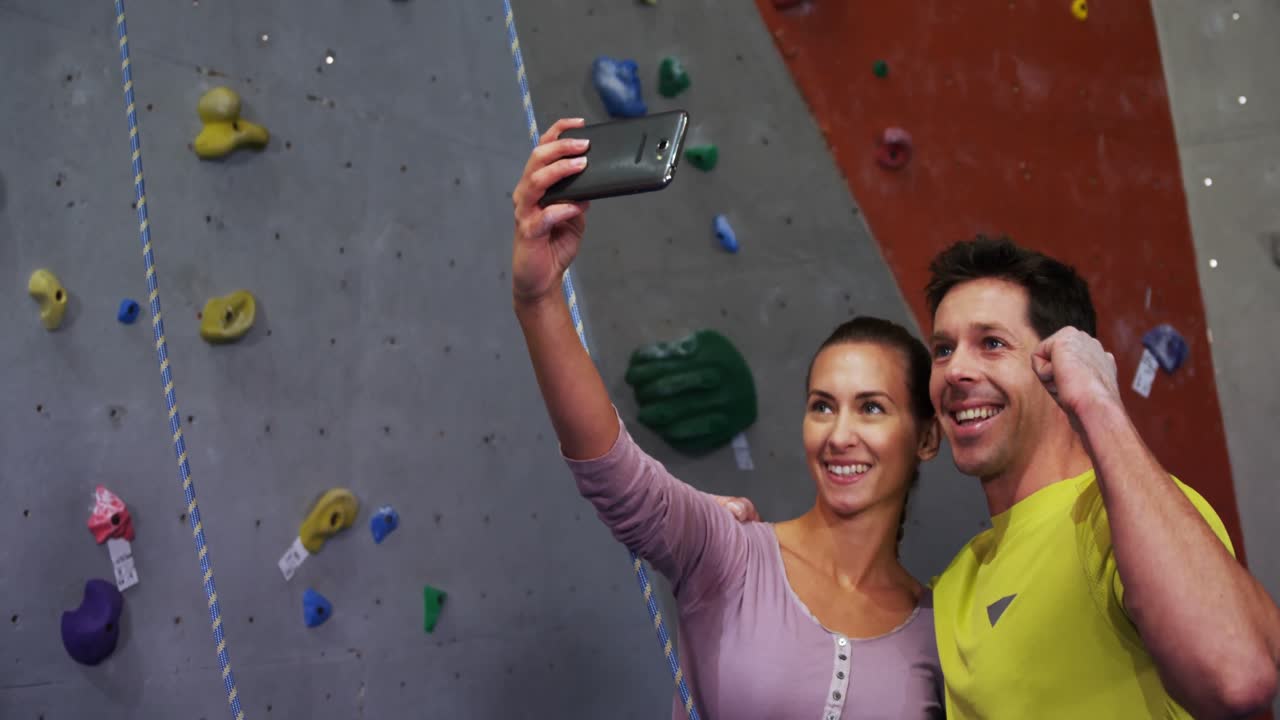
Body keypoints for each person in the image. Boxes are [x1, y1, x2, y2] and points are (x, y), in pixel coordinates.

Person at [510, 117, 945, 719]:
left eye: (872, 407)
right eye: (822, 406)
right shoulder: (730, 554)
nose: (840, 435)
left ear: (926, 436)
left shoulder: (945, 638)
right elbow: (616, 474)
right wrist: (538, 299)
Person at [920, 235, 1280, 719]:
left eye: (992, 343)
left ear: (1055, 363)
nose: (955, 369)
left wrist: (1096, 401)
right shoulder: (951, 586)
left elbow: (1239, 677)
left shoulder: (1119, 519)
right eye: (943, 349)